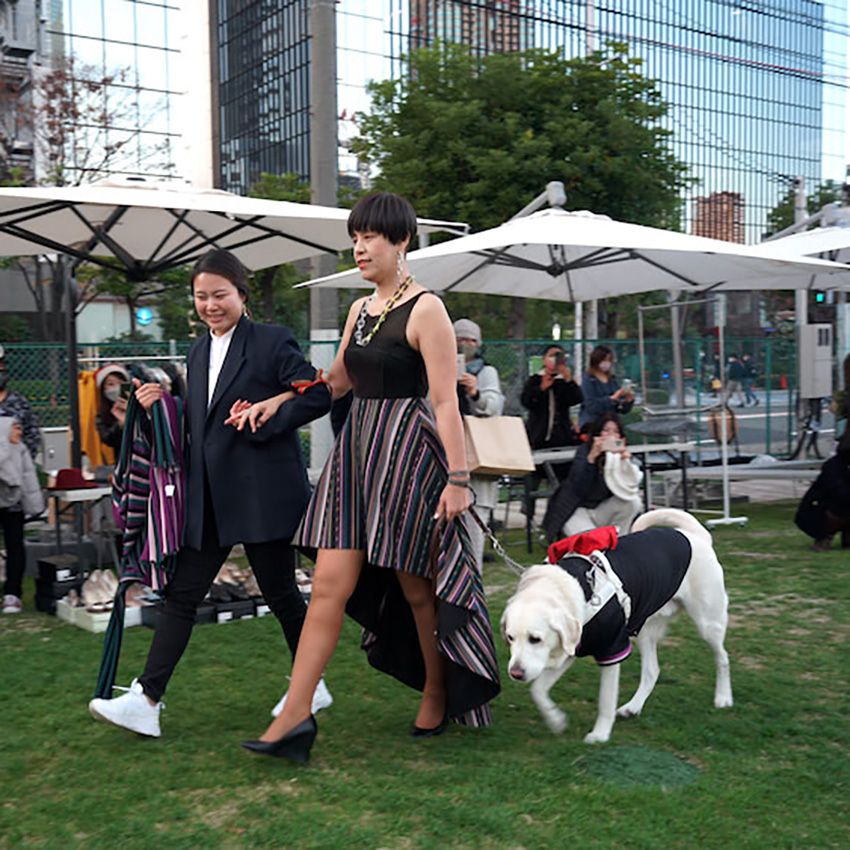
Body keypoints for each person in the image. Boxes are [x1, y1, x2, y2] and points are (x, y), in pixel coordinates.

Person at [234, 192, 500, 762]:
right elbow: (332, 384)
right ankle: (295, 714)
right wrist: (274, 402)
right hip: (357, 454)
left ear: (400, 242)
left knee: (415, 587)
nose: (359, 246)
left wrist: (458, 478)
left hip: (408, 454)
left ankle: (437, 686)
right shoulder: (359, 311)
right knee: (328, 583)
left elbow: (444, 401)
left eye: (371, 236)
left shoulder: (428, 310)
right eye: (355, 237)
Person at [88, 248, 333, 738]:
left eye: (220, 294)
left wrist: (266, 415)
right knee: (181, 597)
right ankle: (146, 701)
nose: (210, 304)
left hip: (263, 494)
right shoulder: (198, 351)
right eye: (201, 296)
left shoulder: (270, 341)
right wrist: (164, 403)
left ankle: (313, 685)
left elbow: (319, 394)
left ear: (241, 294)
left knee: (283, 595)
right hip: (210, 498)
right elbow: (201, 419)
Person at [542, 412, 643, 543]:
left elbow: (631, 485)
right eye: (606, 430)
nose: (611, 435)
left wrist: (625, 462)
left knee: (633, 502)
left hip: (602, 509)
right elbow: (578, 486)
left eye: (615, 431)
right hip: (576, 510)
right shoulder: (584, 451)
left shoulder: (619, 457)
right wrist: (592, 457)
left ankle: (619, 541)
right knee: (592, 543)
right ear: (598, 433)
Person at [453, 317, 504, 569]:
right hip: (447, 461)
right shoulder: (436, 367)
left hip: (478, 465)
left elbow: (494, 407)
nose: (465, 344)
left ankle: (473, 597)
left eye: (471, 339)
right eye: (460, 338)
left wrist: (475, 392)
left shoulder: (487, 372)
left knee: (473, 538)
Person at [0, 348, 42, 615]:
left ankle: (13, 593)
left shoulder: (18, 403)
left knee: (15, 541)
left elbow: (32, 438)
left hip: (12, 489)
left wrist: (16, 451)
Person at [579, 345, 634, 428]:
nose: (607, 363)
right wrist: (612, 398)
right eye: (604, 360)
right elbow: (591, 405)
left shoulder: (612, 380)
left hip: (612, 424)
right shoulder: (588, 380)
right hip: (593, 424)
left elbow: (620, 408)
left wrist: (628, 401)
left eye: (609, 360)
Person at [94, 364, 130, 452]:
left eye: (120, 383)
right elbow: (108, 440)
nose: (116, 387)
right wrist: (120, 425)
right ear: (103, 389)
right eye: (111, 384)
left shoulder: (141, 405)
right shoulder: (102, 415)